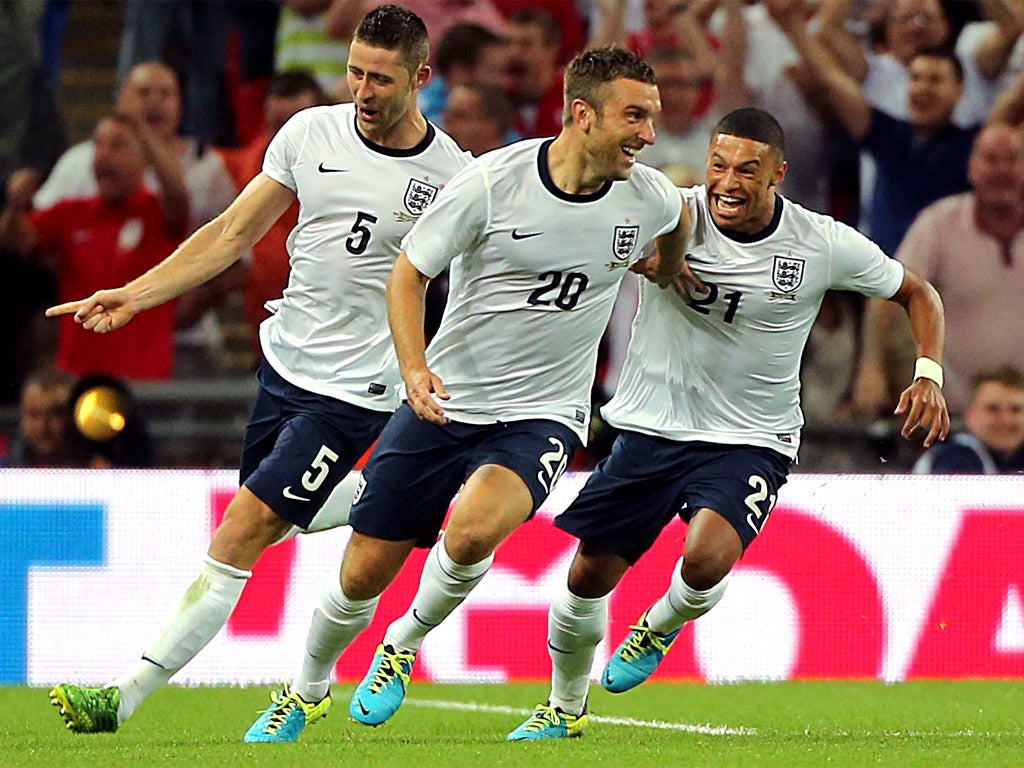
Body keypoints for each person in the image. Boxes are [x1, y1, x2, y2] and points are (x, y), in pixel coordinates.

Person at [244, 45, 696, 745]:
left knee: (476, 529)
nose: (647, 134)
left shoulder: (651, 195)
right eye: (633, 116)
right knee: (362, 571)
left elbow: (674, 231)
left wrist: (666, 270)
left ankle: (402, 642)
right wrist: (415, 368)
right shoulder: (493, 182)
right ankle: (303, 691)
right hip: (446, 400)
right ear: (582, 115)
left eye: (652, 117)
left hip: (544, 412)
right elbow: (408, 273)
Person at [43, 5, 469, 736]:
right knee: (271, 519)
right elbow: (231, 231)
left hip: (356, 388)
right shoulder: (311, 133)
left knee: (242, 529)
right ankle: (397, 496)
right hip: (283, 366)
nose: (363, 90)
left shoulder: (453, 174)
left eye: (382, 79)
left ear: (421, 79)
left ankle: (122, 695)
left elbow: (472, 287)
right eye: (356, 72)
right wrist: (137, 295)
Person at [505, 107, 949, 741]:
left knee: (708, 555)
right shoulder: (669, 215)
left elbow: (918, 293)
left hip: (751, 436)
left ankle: (660, 623)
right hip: (651, 426)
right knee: (587, 577)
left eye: (747, 169)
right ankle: (563, 706)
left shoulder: (819, 242)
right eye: (718, 165)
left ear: (778, 174)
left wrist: (928, 372)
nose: (728, 182)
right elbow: (589, 234)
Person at [852, 122, 1024, 418]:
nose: (1001, 170)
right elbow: (888, 294)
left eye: (1011, 159)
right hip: (952, 411)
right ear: (971, 167)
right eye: (992, 160)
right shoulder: (939, 223)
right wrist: (872, 366)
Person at [0, 114, 189, 382]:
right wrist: (15, 204)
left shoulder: (159, 213)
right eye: (99, 145)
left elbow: (179, 196)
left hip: (145, 380)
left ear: (143, 157)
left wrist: (144, 133)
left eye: (118, 145)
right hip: (78, 377)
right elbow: (12, 242)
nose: (104, 155)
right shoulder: (70, 213)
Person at [914, 365, 1024, 474]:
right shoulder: (954, 459)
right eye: (993, 409)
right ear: (969, 415)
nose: (1006, 420)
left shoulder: (1011, 460)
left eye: (1016, 410)